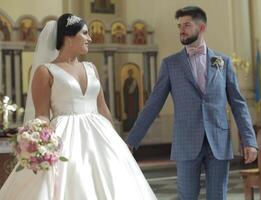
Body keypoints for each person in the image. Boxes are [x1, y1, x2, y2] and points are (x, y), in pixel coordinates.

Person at [0, 13, 156, 200]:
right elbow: (42, 114)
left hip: (102, 136)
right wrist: (36, 138)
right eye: (85, 33)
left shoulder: (91, 68)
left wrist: (118, 141)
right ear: (69, 36)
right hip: (65, 138)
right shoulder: (45, 71)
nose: (90, 38)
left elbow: (103, 108)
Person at [126, 6, 258, 200]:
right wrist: (131, 141)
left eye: (187, 25)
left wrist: (249, 140)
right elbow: (153, 105)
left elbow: (238, 103)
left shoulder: (223, 62)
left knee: (217, 197)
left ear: (202, 27)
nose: (181, 30)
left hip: (218, 143)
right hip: (186, 142)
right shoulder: (170, 64)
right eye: (179, 26)